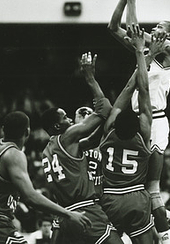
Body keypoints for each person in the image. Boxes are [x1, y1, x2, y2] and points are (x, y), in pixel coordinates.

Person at [107, 0, 170, 244]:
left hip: (154, 119)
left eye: (160, 28)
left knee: (151, 186)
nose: (154, 31)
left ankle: (166, 237)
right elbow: (114, 27)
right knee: (138, 186)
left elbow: (132, 29)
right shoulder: (147, 52)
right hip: (137, 119)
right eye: (155, 28)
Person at [41, 52, 123, 244]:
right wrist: (90, 77)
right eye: (65, 118)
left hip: (66, 215)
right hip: (86, 210)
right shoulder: (67, 136)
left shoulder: (48, 150)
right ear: (56, 126)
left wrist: (107, 124)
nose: (69, 119)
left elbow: (92, 141)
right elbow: (103, 109)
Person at [0, 111, 92, 244]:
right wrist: (68, 214)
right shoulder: (14, 154)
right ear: (27, 131)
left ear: (3, 130)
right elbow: (31, 197)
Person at [99, 23, 154, 244]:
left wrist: (142, 55)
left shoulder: (108, 131)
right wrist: (143, 53)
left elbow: (128, 90)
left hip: (109, 198)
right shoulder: (143, 135)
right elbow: (144, 89)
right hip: (135, 197)